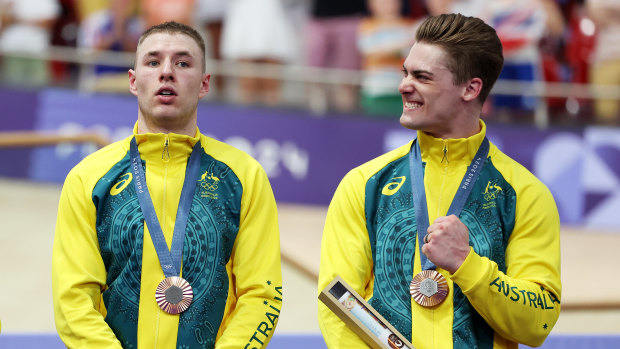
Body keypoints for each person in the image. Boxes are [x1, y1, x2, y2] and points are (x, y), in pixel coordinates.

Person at [318, 13, 561, 349]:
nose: (403, 85)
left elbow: (537, 323)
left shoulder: (525, 194)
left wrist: (467, 264)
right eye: (405, 72)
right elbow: (339, 303)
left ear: (471, 88)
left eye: (422, 77)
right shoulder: (363, 184)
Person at [52, 21, 282, 348]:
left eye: (183, 63)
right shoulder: (88, 178)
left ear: (204, 84)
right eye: (153, 61)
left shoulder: (245, 176)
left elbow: (262, 293)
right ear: (133, 81)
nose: (167, 72)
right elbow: (73, 298)